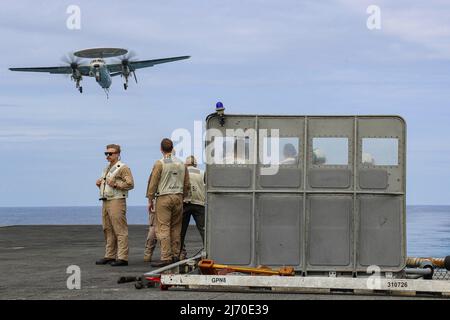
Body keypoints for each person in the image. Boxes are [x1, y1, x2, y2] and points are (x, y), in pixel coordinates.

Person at [146, 138, 190, 267]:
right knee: (176, 227)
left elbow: (153, 183)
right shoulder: (182, 163)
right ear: (172, 148)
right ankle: (176, 254)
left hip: (164, 197)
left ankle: (166, 257)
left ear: (161, 149)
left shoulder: (160, 163)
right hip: (178, 197)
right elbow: (187, 183)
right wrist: (183, 196)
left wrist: (150, 199)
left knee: (163, 227)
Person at [95, 144, 134, 267]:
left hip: (117, 201)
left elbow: (130, 184)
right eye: (106, 153)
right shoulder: (107, 168)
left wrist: (116, 184)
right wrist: (99, 184)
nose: (107, 156)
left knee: (120, 229)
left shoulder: (123, 167)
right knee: (108, 228)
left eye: (110, 153)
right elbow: (108, 183)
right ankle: (110, 255)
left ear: (117, 154)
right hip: (106, 200)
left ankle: (122, 257)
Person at [179, 156, 206, 260]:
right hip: (199, 203)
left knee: (181, 230)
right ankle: (208, 252)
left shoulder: (182, 172)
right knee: (203, 229)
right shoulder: (202, 172)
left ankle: (180, 253)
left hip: (185, 202)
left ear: (186, 164)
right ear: (196, 164)